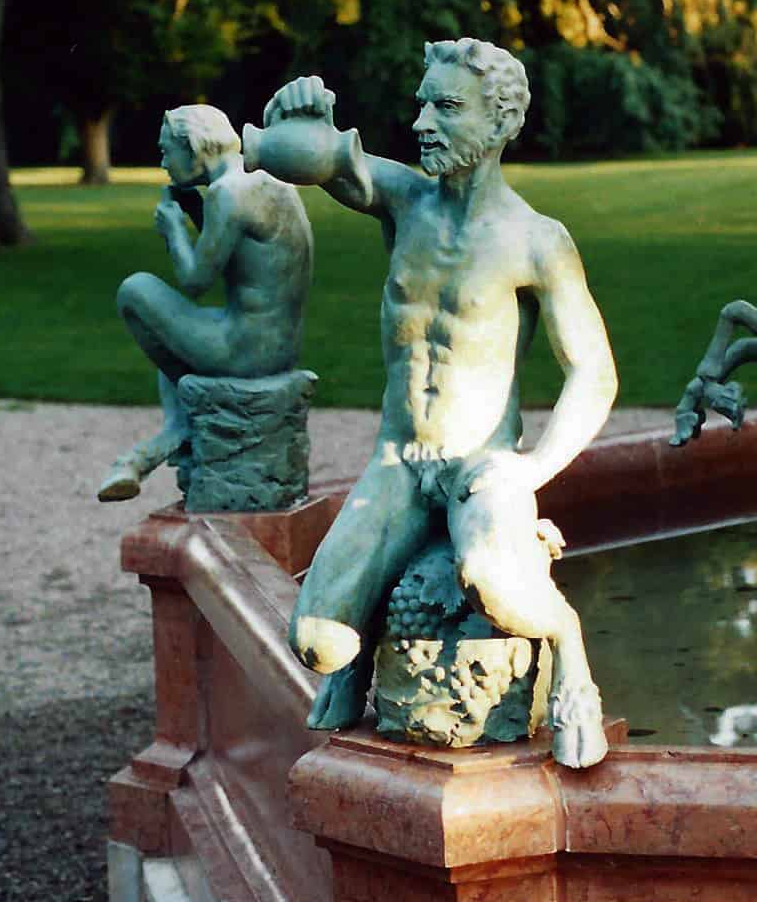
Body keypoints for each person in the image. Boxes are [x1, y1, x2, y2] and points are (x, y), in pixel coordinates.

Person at [254, 40, 618, 767]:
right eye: (422, 104)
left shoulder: (536, 241)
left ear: (500, 121)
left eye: (446, 107)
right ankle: (357, 645)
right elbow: (321, 161)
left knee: (495, 584)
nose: (422, 122)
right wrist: (287, 119)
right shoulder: (404, 199)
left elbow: (593, 374)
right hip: (398, 460)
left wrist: (531, 469)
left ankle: (569, 649)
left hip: (479, 466)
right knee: (316, 643)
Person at [98, 104, 312, 501]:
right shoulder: (267, 179)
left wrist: (173, 231)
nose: (163, 163)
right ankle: (178, 428)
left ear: (195, 147)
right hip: (280, 346)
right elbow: (240, 254)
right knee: (172, 335)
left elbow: (196, 280)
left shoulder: (227, 193)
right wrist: (196, 209)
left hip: (246, 352)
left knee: (135, 290)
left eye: (167, 152)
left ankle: (175, 432)